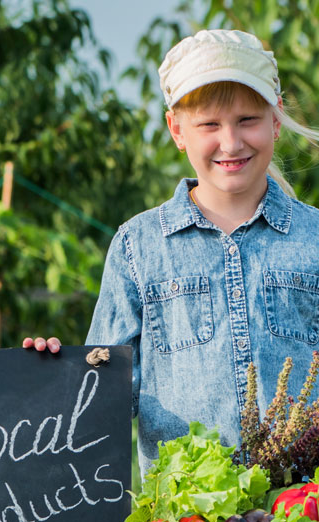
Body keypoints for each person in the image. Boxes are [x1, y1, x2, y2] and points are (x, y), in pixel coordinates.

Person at [24, 29, 319, 478]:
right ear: (176, 130)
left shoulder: (312, 237)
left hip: (304, 517)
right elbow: (102, 403)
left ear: (275, 120)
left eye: (247, 120)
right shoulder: (137, 247)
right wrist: (57, 374)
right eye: (209, 125)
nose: (231, 142)